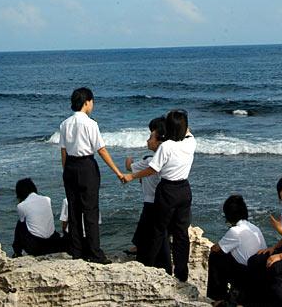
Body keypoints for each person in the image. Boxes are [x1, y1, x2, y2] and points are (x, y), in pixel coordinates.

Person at [123, 109, 195, 282]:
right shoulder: (190, 143)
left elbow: (153, 169)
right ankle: (181, 273)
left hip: (168, 190)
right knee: (181, 233)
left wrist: (131, 176)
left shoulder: (166, 146)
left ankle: (148, 266)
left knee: (158, 229)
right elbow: (188, 131)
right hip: (184, 189)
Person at [60, 87, 124, 264]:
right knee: (90, 211)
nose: (92, 105)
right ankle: (95, 253)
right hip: (87, 166)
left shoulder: (65, 124)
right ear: (87, 102)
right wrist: (118, 172)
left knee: (74, 211)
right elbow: (101, 150)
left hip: (71, 167)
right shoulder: (90, 124)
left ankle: (77, 250)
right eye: (92, 102)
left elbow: (63, 151)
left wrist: (66, 171)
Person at [124, 116, 169, 269]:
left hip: (151, 202)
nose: (147, 140)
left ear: (159, 141)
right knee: (153, 230)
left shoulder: (150, 161)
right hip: (162, 201)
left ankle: (146, 259)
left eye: (150, 137)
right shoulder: (164, 158)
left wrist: (128, 158)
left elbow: (130, 167)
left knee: (149, 230)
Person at [206, 194, 266, 307]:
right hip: (259, 272)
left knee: (215, 256)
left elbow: (215, 249)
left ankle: (218, 296)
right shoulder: (254, 227)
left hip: (246, 275)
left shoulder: (235, 231)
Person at [12, 178, 63, 257]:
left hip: (36, 247)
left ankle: (17, 251)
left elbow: (22, 225)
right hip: (52, 242)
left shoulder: (21, 206)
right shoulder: (47, 199)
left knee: (20, 223)